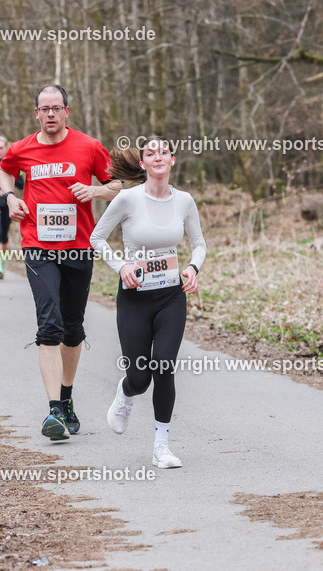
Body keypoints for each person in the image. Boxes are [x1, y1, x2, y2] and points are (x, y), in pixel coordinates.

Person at [0, 84, 120, 440]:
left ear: (67, 111)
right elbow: (4, 172)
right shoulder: (22, 149)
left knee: (73, 327)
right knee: (49, 325)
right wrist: (9, 197)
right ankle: (53, 411)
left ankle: (66, 397)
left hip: (78, 247)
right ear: (36, 113)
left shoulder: (89, 146)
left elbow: (118, 185)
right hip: (38, 246)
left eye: (56, 108)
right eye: (44, 108)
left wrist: (95, 191)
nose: (50, 114)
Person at [91, 137, 206, 469]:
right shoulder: (127, 198)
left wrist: (192, 268)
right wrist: (122, 266)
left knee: (164, 367)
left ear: (172, 160)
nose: (158, 156)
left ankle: (161, 445)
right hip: (134, 298)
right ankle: (126, 393)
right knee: (140, 378)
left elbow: (198, 244)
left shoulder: (184, 201)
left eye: (164, 152)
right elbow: (96, 237)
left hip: (171, 296)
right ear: (142, 164)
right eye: (150, 153)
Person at [0, 135, 23, 279]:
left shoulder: (12, 163)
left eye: (1, 148)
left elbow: (21, 185)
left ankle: (3, 261)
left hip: (5, 204)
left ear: (6, 148)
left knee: (4, 235)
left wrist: (4, 190)